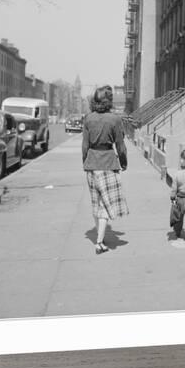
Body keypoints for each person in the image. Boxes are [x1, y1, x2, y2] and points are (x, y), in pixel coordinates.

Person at [82, 85, 129, 254]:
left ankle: (99, 238)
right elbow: (120, 145)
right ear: (109, 101)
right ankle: (99, 243)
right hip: (108, 163)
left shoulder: (88, 118)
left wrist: (85, 162)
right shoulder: (115, 119)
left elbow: (85, 145)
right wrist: (123, 162)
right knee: (104, 205)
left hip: (91, 164)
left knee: (96, 204)